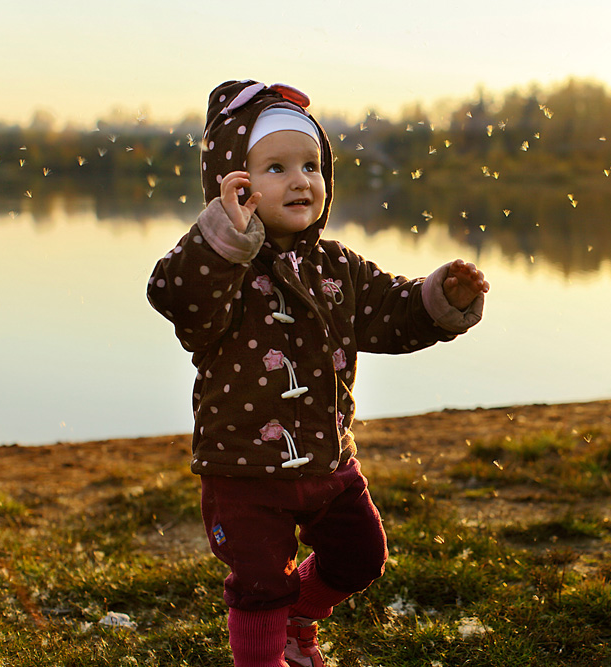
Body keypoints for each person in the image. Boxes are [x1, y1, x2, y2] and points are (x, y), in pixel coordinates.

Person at [146, 79, 488, 667]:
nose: (300, 180)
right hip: (244, 470)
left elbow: (391, 312)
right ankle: (268, 651)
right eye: (276, 167)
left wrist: (440, 298)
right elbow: (177, 297)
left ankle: (299, 616)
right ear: (235, 185)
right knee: (259, 587)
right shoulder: (215, 267)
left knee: (360, 554)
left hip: (329, 460)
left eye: (311, 164)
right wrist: (223, 241)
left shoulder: (336, 265)